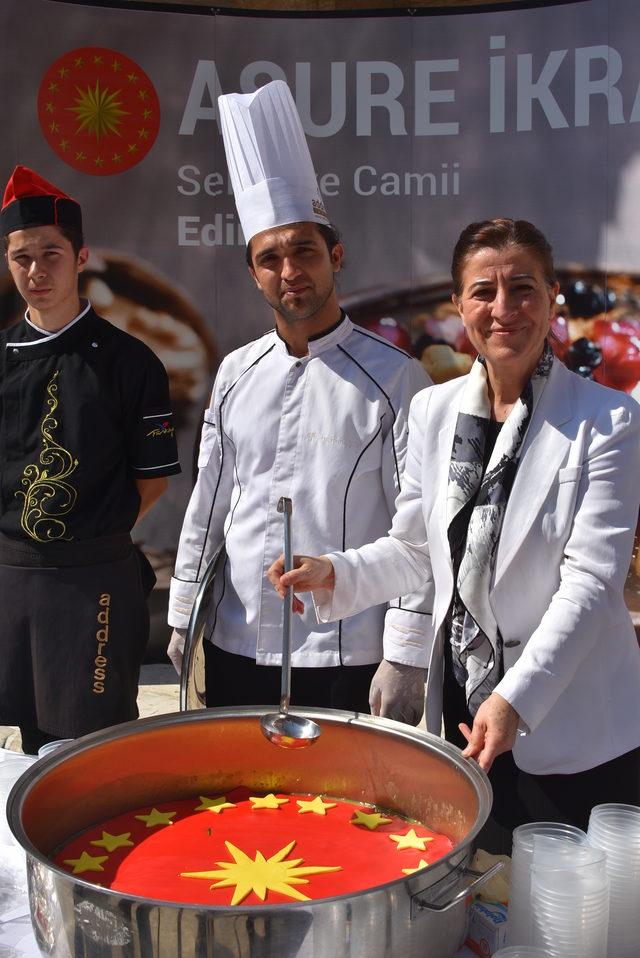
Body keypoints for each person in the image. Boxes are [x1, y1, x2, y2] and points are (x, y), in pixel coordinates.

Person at [268, 218, 640, 852]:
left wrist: (515, 698)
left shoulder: (608, 420)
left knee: (580, 922)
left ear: (553, 297)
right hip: (466, 711)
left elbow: (590, 582)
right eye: (483, 291)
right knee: (487, 908)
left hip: (574, 725)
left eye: (523, 288)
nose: (504, 309)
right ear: (459, 305)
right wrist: (339, 572)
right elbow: (417, 548)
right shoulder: (434, 412)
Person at [167, 81, 431, 714]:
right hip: (236, 642)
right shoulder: (234, 373)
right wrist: (182, 614)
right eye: (271, 258)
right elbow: (209, 502)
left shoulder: (395, 379)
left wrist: (406, 655)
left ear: (336, 256)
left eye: (305, 251)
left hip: (346, 652)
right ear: (253, 273)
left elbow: (416, 531)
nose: (291, 271)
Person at [0, 165, 180, 754]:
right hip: (10, 578)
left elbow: (150, 481)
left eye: (50, 254)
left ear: (81, 259)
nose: (36, 270)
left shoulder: (128, 361)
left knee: (91, 751)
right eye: (21, 257)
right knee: (25, 748)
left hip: (93, 583)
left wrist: (91, 545)